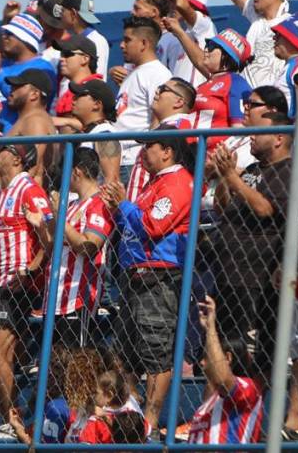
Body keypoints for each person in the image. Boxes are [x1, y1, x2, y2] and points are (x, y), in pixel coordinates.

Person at [100, 127, 193, 436]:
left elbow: (153, 225)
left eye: (149, 146)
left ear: (167, 151)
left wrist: (124, 204)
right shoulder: (155, 183)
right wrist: (120, 207)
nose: (142, 153)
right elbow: (133, 222)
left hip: (158, 275)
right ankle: (132, 415)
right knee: (124, 353)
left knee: (156, 351)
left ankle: (150, 424)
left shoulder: (177, 182)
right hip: (135, 275)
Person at [0, 143, 53, 433]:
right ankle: (10, 416)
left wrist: (32, 268)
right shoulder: (3, 193)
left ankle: (11, 420)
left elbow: (51, 232)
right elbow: (2, 243)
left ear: (17, 159)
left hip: (18, 284)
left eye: (3, 149)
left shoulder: (29, 189)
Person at [207, 110, 291, 370]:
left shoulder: (288, 170)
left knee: (246, 360)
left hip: (255, 281)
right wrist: (224, 176)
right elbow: (223, 206)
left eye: (258, 131)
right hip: (227, 277)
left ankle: (248, 409)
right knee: (219, 356)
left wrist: (232, 177)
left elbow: (265, 209)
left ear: (278, 138)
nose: (250, 136)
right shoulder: (253, 170)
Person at [34, 147, 114, 347]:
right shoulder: (72, 206)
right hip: (55, 297)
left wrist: (59, 215)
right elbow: (54, 248)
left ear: (76, 171)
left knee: (75, 366)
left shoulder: (100, 204)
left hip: (78, 299)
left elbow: (88, 246)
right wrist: (41, 226)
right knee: (53, 367)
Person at [184, 296, 263, 445]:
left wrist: (210, 328)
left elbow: (221, 378)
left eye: (207, 355)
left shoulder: (249, 388)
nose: (201, 362)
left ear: (228, 357)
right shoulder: (208, 404)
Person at [164, 23, 253, 149]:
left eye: (212, 47)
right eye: (207, 45)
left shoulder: (237, 83)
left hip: (215, 161)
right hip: (192, 159)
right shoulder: (202, 86)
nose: (206, 49)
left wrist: (220, 159)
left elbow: (240, 132)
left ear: (227, 55)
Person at [114, 16, 172, 182]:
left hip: (134, 161)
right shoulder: (134, 74)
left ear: (144, 44)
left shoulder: (157, 74)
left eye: (127, 40)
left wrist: (147, 157)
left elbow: (159, 121)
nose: (121, 45)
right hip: (119, 160)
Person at [124, 77, 195, 202]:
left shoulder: (179, 127)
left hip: (154, 205)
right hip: (144, 204)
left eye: (163, 89)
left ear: (178, 102)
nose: (157, 91)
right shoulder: (174, 125)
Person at [0, 14, 57, 130]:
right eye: (4, 33)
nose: (4, 37)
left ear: (26, 39)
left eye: (10, 34)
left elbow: (25, 101)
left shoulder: (42, 68)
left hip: (17, 138)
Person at [169, 0, 218, 86]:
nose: (173, 6)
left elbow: (181, 5)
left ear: (194, 6)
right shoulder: (182, 33)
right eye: (172, 1)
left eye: (176, 0)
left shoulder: (204, 23)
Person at [4, 68, 57, 183]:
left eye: (18, 86)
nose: (11, 90)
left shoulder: (35, 120)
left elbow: (34, 170)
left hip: (20, 197)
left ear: (34, 94)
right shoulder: (29, 119)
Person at [60, 0, 110, 78]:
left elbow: (96, 78)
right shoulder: (73, 39)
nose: (60, 15)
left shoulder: (96, 41)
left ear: (73, 13)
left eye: (63, 10)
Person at [52, 35, 101, 122]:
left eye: (67, 54)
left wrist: (62, 122)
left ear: (84, 59)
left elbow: (98, 125)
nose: (61, 59)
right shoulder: (70, 88)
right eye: (61, 54)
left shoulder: (95, 89)